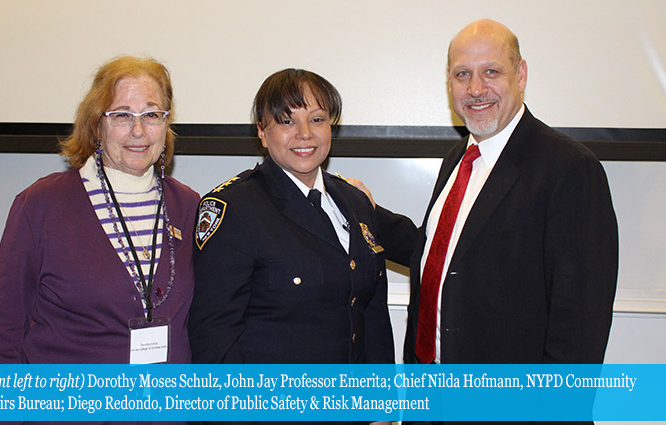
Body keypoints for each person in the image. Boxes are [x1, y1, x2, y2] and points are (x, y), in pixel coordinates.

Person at [355, 19, 618, 368]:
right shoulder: (459, 158)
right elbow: (442, 257)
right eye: (462, 74)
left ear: (521, 75)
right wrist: (365, 211)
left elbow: (581, 323)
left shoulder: (569, 170)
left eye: (491, 72)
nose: (476, 89)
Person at [188, 68, 393, 423]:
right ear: (262, 133)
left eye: (317, 119)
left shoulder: (355, 201)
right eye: (286, 121)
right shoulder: (234, 207)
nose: (305, 134)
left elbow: (371, 313)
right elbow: (215, 336)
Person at [0, 56, 200, 370]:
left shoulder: (188, 206)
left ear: (166, 124)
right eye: (122, 115)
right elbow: (3, 336)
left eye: (152, 114)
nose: (138, 130)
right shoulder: (41, 205)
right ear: (96, 123)